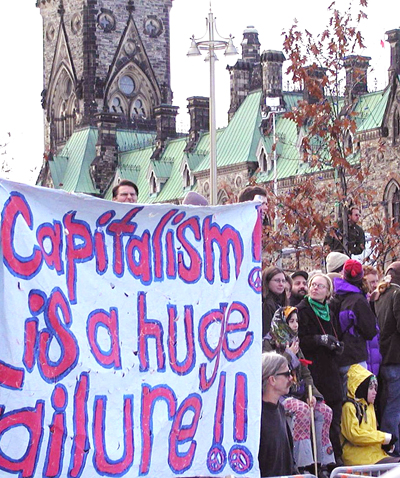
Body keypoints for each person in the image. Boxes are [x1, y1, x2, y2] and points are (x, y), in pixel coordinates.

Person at [263, 307, 335, 474]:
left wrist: (313, 395)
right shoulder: (268, 343)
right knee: (301, 410)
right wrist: (289, 354)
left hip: (298, 392)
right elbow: (270, 371)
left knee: (324, 411)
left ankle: (324, 461)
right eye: (291, 321)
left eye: (297, 321)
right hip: (279, 395)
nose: (295, 325)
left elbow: (306, 373)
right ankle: (303, 464)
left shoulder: (294, 342)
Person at [297, 273, 344, 464]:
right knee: (318, 415)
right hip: (312, 370)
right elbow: (300, 340)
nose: (315, 288)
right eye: (313, 285)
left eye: (320, 286)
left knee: (335, 412)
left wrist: (338, 345)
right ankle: (320, 461)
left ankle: (335, 457)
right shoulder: (302, 310)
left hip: (330, 369)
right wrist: (319, 340)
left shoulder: (329, 310)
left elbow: (337, 334)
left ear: (328, 291)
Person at [330, 259, 378, 396]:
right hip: (355, 357)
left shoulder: (334, 297)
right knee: (358, 402)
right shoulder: (358, 300)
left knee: (344, 401)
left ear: (343, 275)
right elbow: (370, 331)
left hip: (337, 356)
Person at [341, 364, 399, 465]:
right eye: (371, 388)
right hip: (357, 456)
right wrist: (384, 438)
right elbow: (354, 435)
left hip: (374, 455)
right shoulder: (349, 407)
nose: (375, 392)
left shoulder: (369, 407)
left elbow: (370, 435)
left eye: (376, 388)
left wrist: (384, 444)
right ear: (360, 387)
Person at [371, 261, 400, 456]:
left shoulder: (380, 296)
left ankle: (391, 444)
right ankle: (393, 447)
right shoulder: (397, 294)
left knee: (389, 403)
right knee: (394, 405)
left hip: (384, 357)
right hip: (396, 358)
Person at [259, 351, 296, 477]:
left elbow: (288, 455)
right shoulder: (255, 416)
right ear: (272, 379)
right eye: (287, 374)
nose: (291, 378)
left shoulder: (280, 409)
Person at [262, 266, 288, 335]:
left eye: (283, 281)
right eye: (277, 280)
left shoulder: (282, 302)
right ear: (267, 282)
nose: (281, 284)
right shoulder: (266, 304)